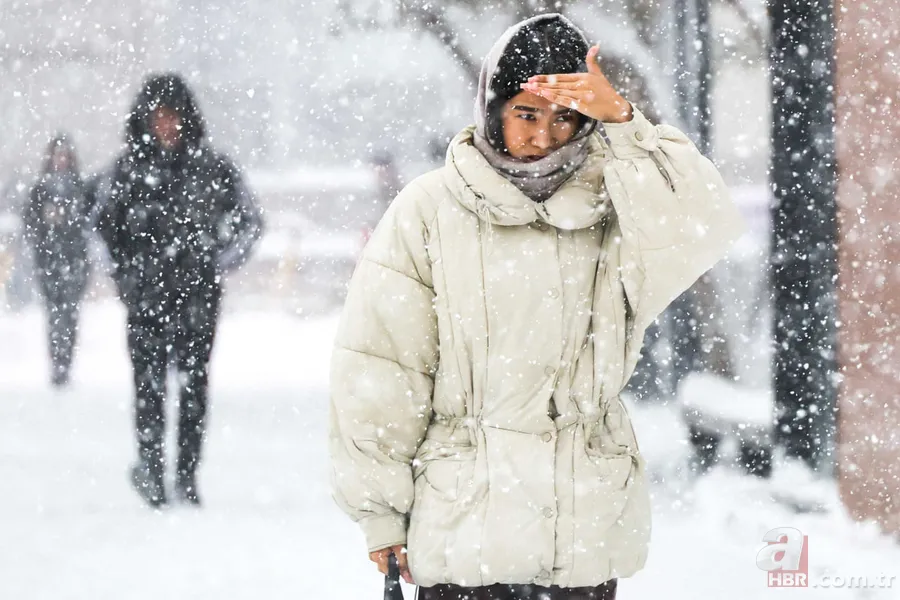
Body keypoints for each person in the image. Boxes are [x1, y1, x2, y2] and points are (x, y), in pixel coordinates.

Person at [329, 14, 744, 600]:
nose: (544, 135)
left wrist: (625, 123)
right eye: (527, 113)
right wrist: (379, 511)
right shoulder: (428, 210)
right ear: (494, 107)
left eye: (565, 116)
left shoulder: (616, 201)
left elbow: (700, 227)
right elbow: (380, 369)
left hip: (578, 525)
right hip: (463, 528)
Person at [96, 73, 262, 508]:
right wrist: (124, 275)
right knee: (148, 389)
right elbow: (99, 230)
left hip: (197, 299)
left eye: (174, 116)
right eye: (159, 117)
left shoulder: (213, 168)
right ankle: (150, 469)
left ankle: (186, 475)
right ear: (145, 120)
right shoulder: (126, 171)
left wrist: (217, 262)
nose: (167, 125)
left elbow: (250, 221)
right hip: (145, 301)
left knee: (193, 389)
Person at [22, 135, 94, 386]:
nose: (61, 160)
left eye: (64, 155)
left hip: (75, 261)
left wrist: (69, 224)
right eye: (57, 155)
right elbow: (30, 224)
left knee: (69, 315)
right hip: (49, 262)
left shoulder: (80, 187)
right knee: (55, 316)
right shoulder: (41, 189)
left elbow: (89, 224)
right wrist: (46, 228)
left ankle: (66, 362)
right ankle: (57, 364)